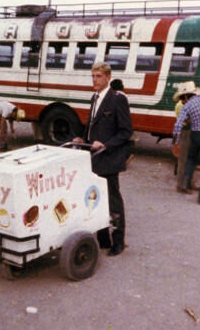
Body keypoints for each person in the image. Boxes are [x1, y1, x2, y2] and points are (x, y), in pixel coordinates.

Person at [74, 62, 133, 256]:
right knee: (96, 198)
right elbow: (92, 126)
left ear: (108, 77)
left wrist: (106, 144)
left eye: (98, 76)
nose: (95, 80)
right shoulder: (94, 98)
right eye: (93, 76)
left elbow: (125, 132)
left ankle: (118, 241)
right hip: (93, 158)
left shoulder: (117, 99)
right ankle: (103, 239)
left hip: (109, 158)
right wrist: (84, 138)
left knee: (113, 201)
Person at [173, 91, 200, 204]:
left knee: (190, 159)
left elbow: (178, 125)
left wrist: (176, 142)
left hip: (195, 135)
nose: (182, 102)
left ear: (186, 97)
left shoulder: (187, 106)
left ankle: (185, 182)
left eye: (182, 99)